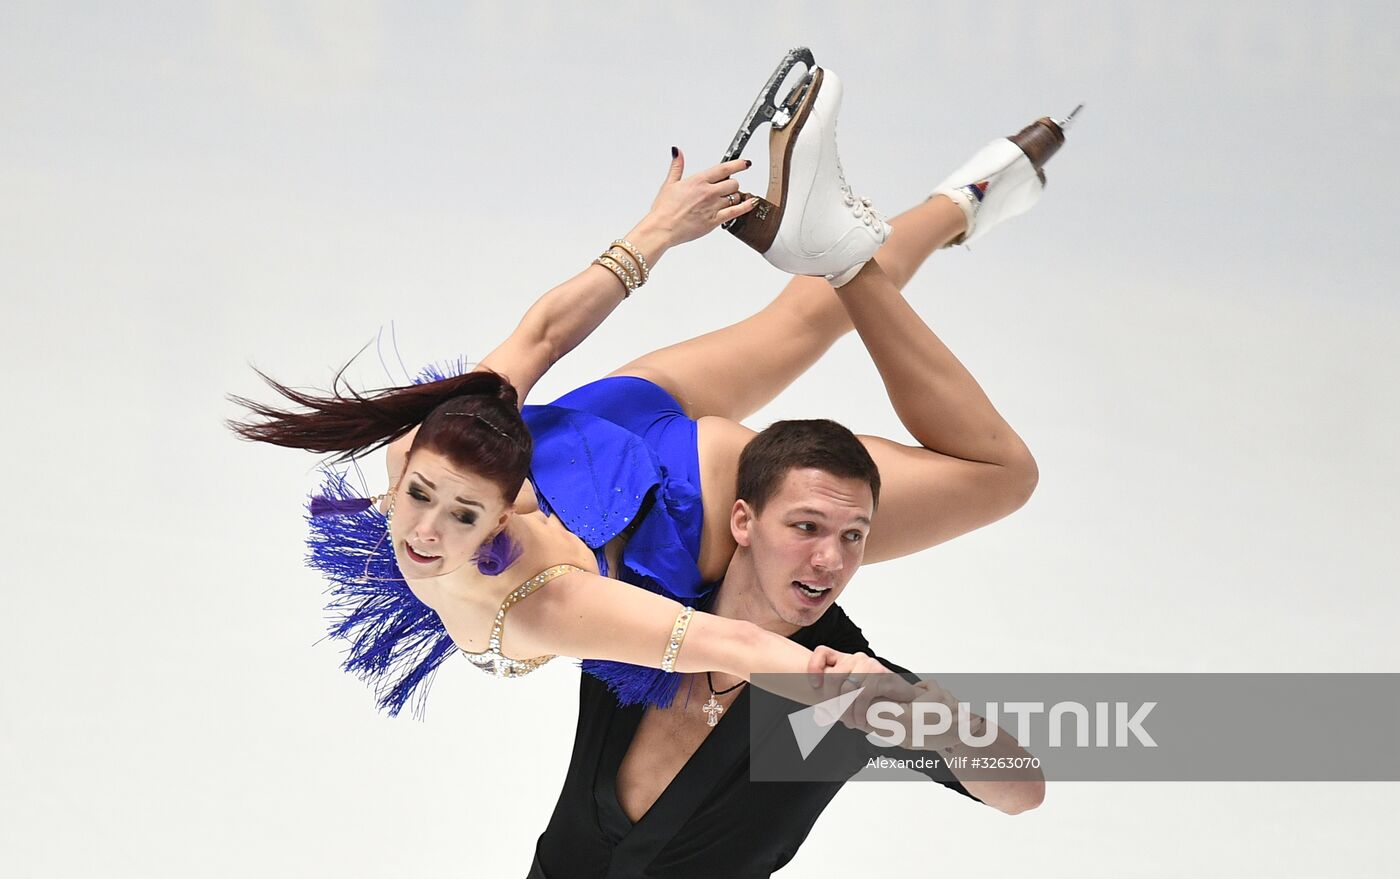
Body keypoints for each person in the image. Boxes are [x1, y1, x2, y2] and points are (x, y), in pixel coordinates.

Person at [227, 62, 1051, 715]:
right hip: (632, 464)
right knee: (803, 324)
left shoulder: (440, 455)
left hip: (659, 473)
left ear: (508, 478)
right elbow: (719, 642)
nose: (427, 531)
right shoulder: (536, 600)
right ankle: (966, 196)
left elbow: (544, 336)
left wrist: (662, 226)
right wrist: (839, 676)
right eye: (428, 503)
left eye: (459, 507)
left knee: (998, 474)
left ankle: (925, 215)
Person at [527, 418, 1045, 879]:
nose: (830, 560)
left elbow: (1022, 790)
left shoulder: (846, 682)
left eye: (853, 536)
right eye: (807, 527)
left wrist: (940, 723)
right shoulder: (648, 598)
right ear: (743, 521)